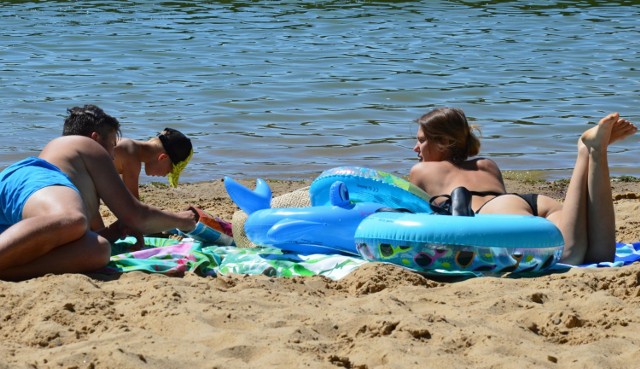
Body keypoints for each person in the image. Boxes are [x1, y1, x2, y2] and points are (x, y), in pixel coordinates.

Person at [408, 107, 637, 265]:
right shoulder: (486, 163)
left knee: (569, 255)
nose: (415, 149)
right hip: (533, 203)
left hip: (497, 210)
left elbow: (417, 218)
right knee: (600, 256)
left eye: (421, 140)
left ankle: (583, 150)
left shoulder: (421, 171)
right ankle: (596, 152)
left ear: (444, 142)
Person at [0, 105, 197, 280]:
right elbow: (135, 215)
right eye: (112, 145)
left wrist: (112, 232)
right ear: (95, 139)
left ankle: (8, 272)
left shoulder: (80, 178)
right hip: (33, 180)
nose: (112, 155)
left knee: (98, 249)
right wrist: (182, 220)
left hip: (18, 219)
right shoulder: (86, 146)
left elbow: (86, 232)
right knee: (73, 219)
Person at [63, 113, 193, 199]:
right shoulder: (131, 156)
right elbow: (133, 202)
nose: (165, 175)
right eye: (170, 170)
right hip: (69, 182)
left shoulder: (130, 147)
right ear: (163, 158)